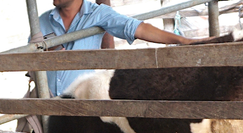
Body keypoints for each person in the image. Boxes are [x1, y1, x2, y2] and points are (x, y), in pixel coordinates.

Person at [35, 0, 199, 97]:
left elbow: (138, 29)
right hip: (46, 99)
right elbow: (29, 58)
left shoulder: (98, 14)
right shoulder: (42, 21)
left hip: (81, 100)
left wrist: (182, 40)